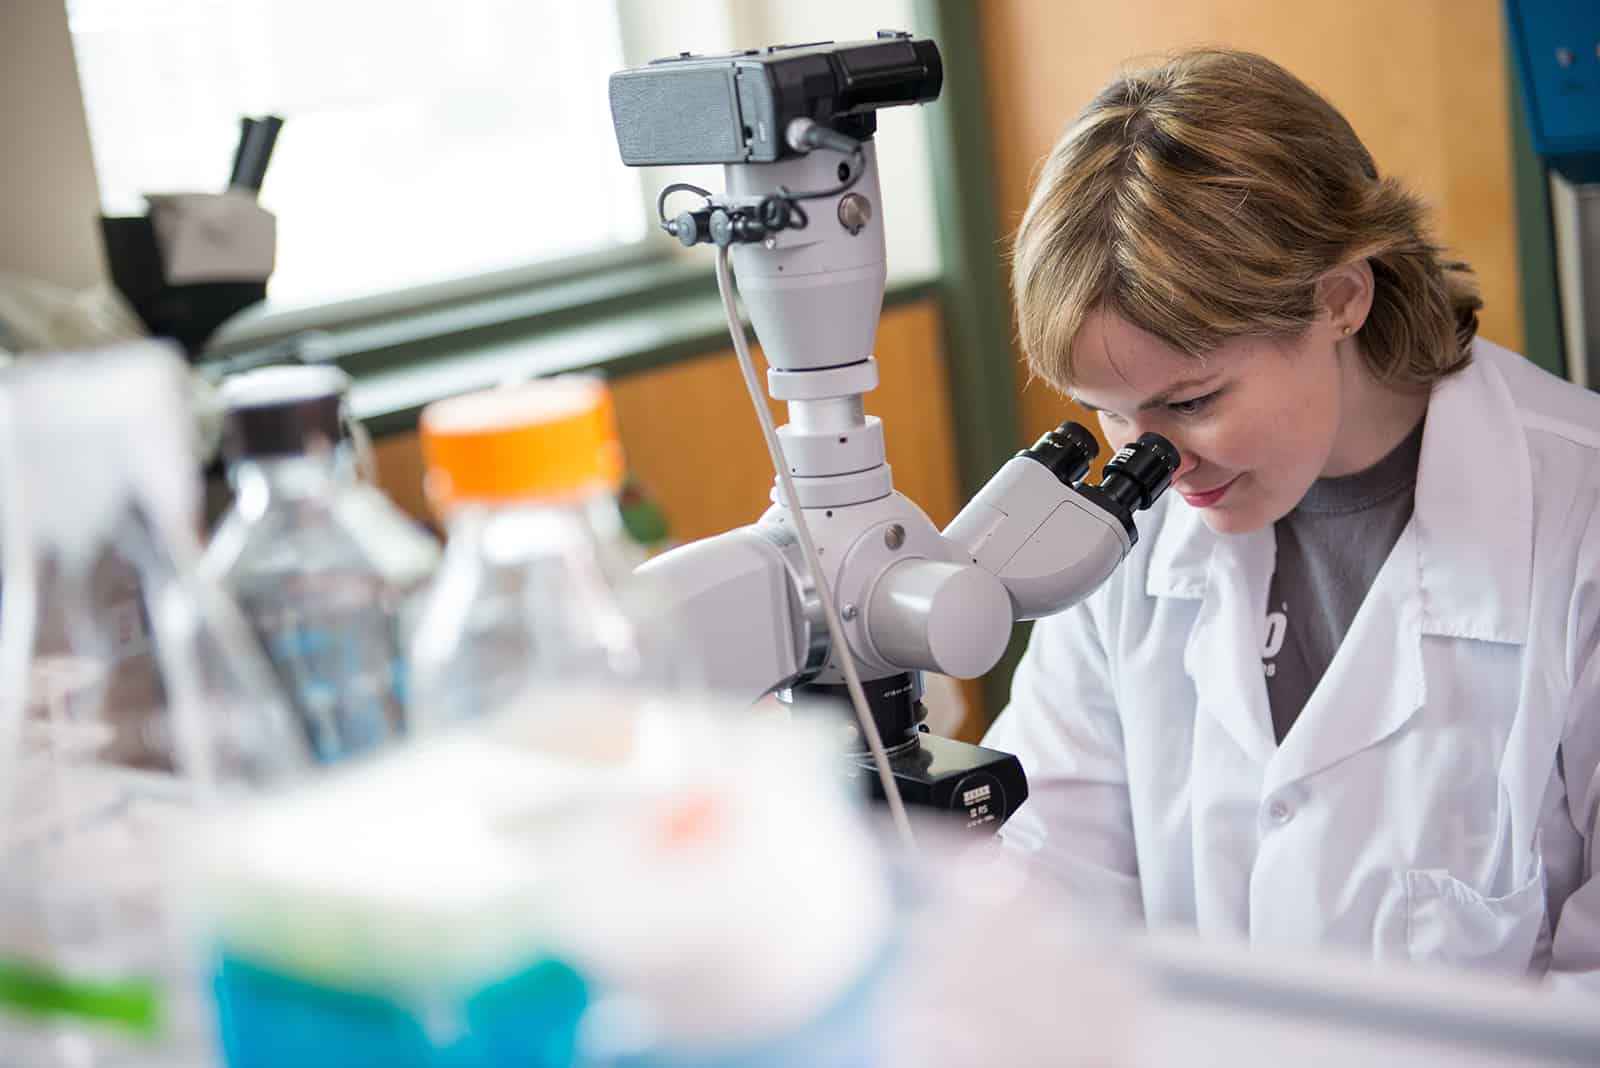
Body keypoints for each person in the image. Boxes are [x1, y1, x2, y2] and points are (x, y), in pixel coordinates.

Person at [983, 47, 1600, 989]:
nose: (1151, 464)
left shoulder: (1579, 519)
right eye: (1108, 412)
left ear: (1341, 297)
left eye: (1192, 401)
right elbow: (1044, 887)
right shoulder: (1125, 544)